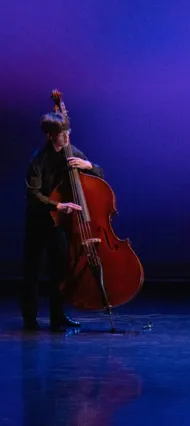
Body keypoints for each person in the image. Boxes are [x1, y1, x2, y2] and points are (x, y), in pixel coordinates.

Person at [22, 111, 104, 331]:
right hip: (39, 221)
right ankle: (30, 319)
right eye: (61, 134)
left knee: (59, 271)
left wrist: (89, 166)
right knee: (33, 271)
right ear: (50, 135)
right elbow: (33, 194)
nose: (66, 137)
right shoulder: (38, 160)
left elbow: (98, 175)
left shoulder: (72, 152)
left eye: (67, 132)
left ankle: (57, 317)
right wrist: (58, 206)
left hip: (60, 223)